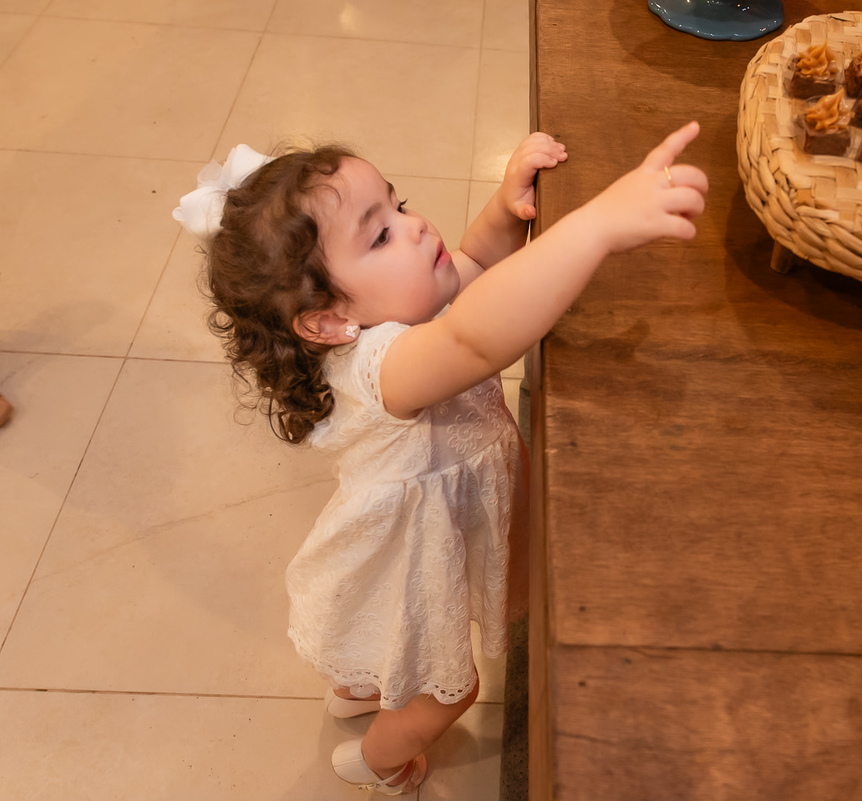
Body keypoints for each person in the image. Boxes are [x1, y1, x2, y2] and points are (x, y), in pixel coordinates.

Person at [173, 122, 707, 794]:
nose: (417, 227)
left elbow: (475, 264)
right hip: (417, 557)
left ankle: (359, 685)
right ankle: (380, 759)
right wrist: (594, 226)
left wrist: (504, 207)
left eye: (397, 206)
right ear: (329, 321)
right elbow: (477, 337)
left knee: (384, 645)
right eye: (381, 235)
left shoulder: (399, 304)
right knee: (447, 692)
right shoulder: (382, 365)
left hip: (427, 524)